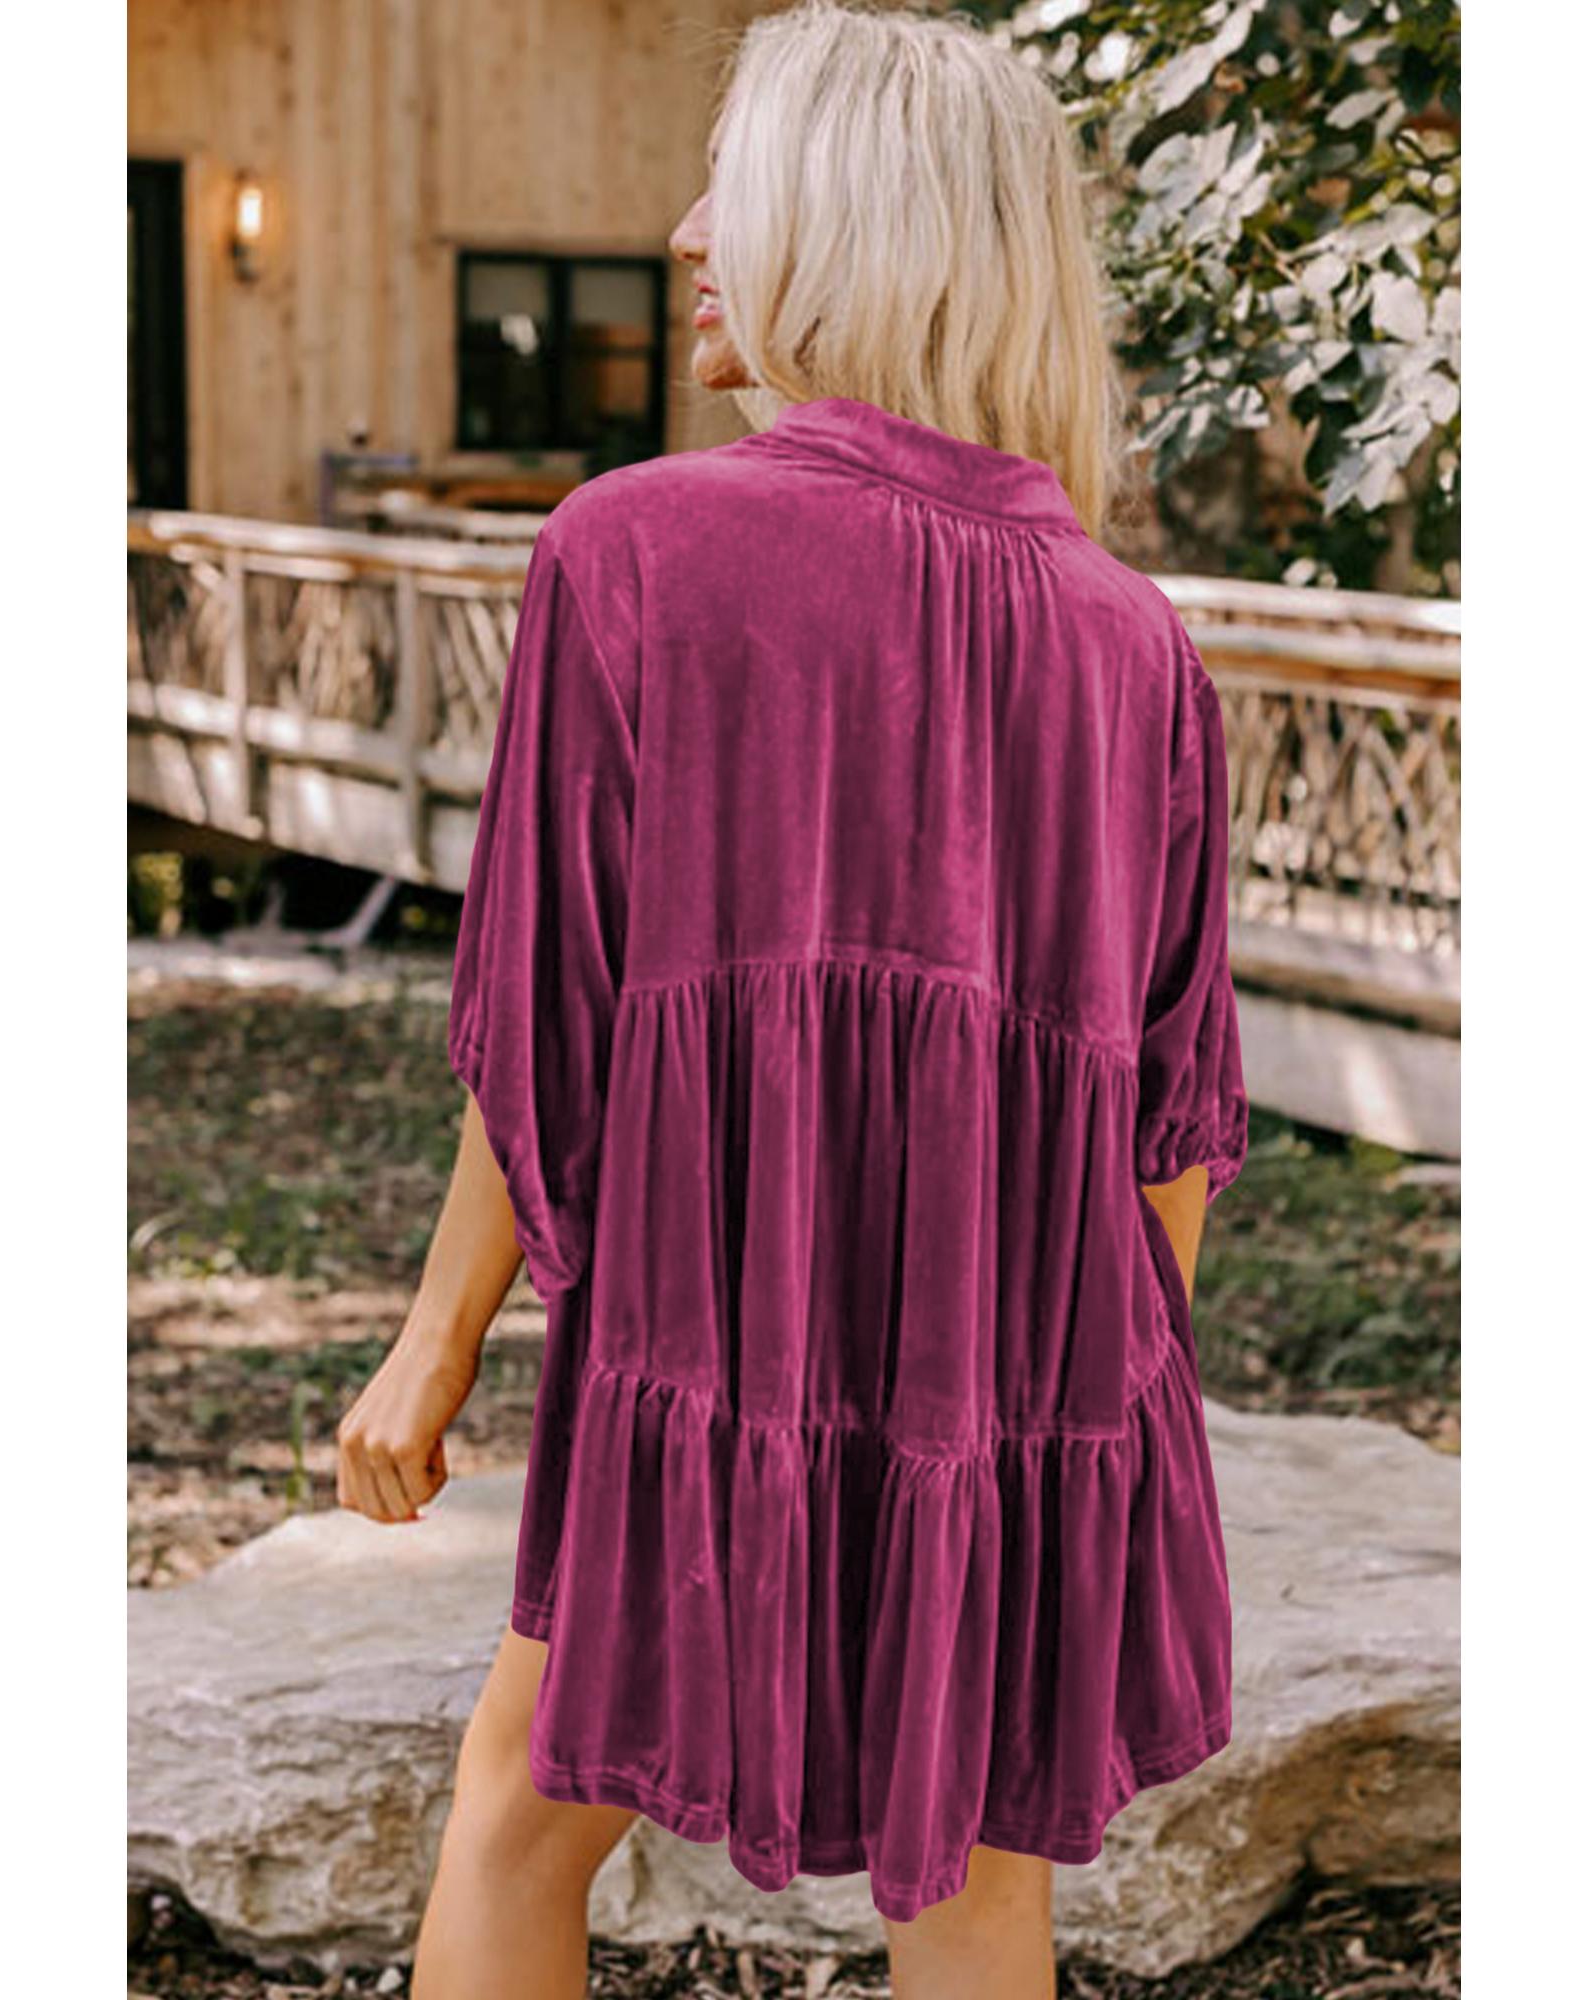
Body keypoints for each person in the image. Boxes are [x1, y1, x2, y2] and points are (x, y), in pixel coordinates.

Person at [336, 5, 1248, 1996]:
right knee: (976, 1887)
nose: (684, 234)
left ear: (849, 229)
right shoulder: (1130, 641)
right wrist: (1068, 1451)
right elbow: (1166, 1131)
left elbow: (550, 1016)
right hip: (1013, 1390)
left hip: (703, 1329)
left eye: (729, 191)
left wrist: (439, 1339)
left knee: (519, 1811)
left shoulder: (631, 549)